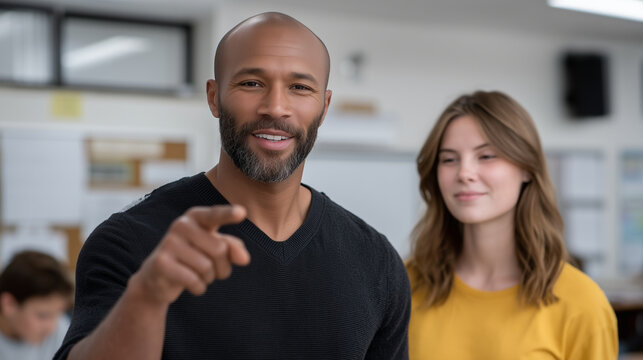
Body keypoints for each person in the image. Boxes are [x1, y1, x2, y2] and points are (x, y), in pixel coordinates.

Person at [54, 12, 410, 360]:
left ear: (324, 106)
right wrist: (147, 296)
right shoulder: (131, 243)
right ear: (214, 97)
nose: (275, 107)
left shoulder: (375, 263)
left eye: (300, 87)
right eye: (251, 83)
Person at [406, 90, 618, 359]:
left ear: (527, 168)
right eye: (449, 159)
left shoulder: (582, 303)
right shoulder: (404, 284)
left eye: (486, 156)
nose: (464, 173)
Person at [0, 250, 73, 360]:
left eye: (58, 313)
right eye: (42, 315)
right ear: (9, 304)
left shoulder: (60, 331)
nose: (51, 328)